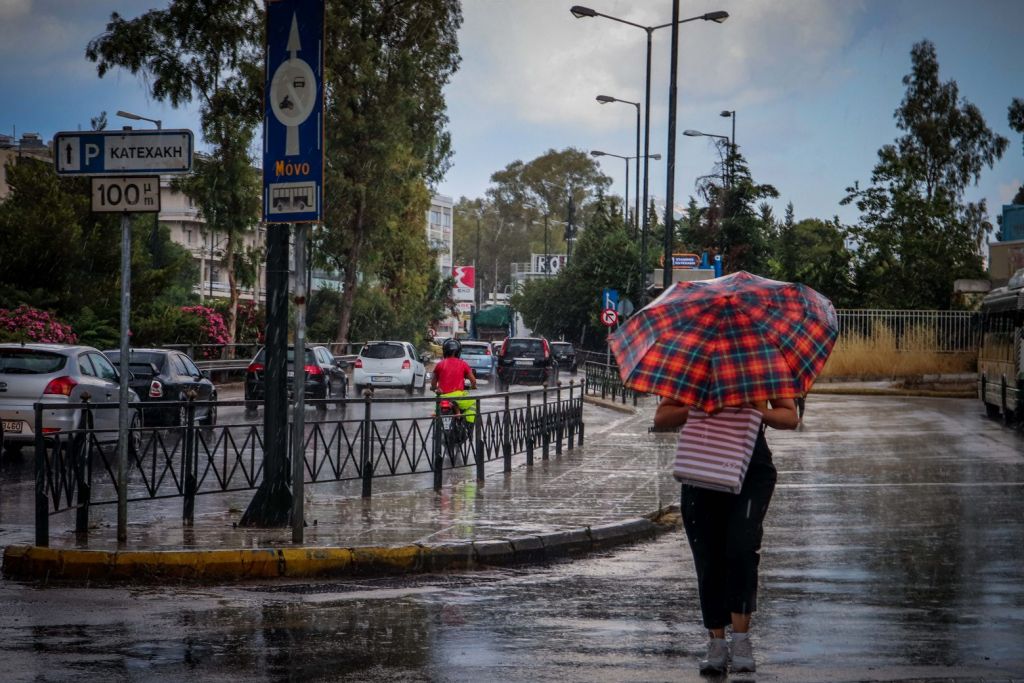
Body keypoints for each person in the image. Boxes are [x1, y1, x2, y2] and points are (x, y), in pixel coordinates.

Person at [654, 396, 799, 674]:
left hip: (751, 469)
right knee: (708, 556)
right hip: (702, 467)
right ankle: (717, 643)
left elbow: (790, 418)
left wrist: (756, 412)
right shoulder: (695, 371)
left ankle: (741, 641)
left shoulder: (759, 370)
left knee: (742, 548)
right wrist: (699, 407)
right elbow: (662, 418)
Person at [430, 338, 477, 423]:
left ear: (445, 351)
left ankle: (436, 419)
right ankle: (469, 425)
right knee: (473, 404)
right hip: (458, 397)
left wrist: (434, 388)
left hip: (442, 398)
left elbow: (433, 383)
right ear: (458, 352)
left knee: (437, 412)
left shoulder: (440, 364)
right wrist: (473, 386)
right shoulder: (463, 364)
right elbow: (473, 381)